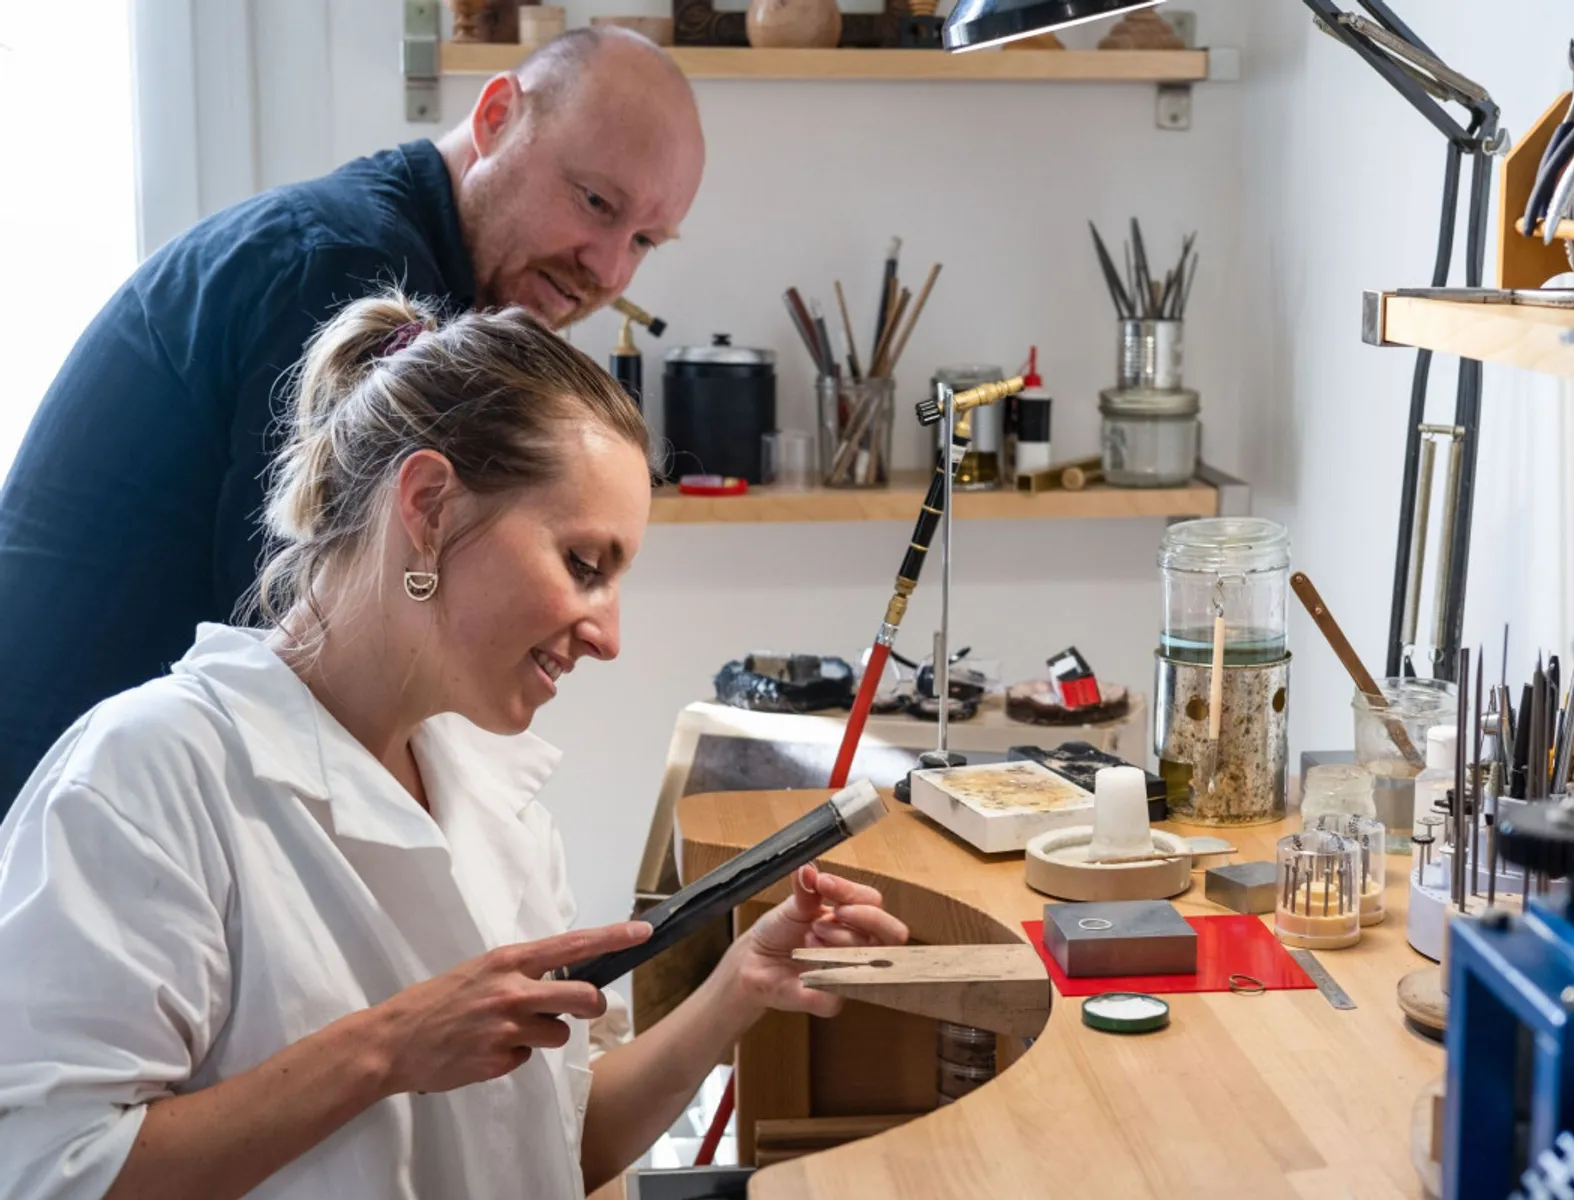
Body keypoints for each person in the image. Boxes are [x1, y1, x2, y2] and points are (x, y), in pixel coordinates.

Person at [0, 293, 907, 1200]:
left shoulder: (490, 798)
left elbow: (556, 1149)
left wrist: (739, 988)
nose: (608, 636)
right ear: (429, 506)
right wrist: (387, 1049)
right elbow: (48, 1174)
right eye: (584, 566)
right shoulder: (146, 776)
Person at [0, 27, 706, 813]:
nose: (607, 268)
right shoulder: (345, 271)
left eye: (644, 240)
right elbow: (313, 648)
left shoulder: (390, 257)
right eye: (596, 202)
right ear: (497, 114)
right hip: (70, 805)